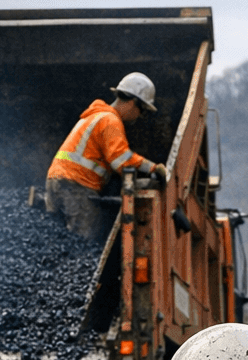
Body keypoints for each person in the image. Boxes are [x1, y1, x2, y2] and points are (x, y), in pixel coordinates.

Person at [46, 72, 170, 240]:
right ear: (133, 102)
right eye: (142, 110)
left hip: (57, 181)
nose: (140, 116)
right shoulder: (111, 120)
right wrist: (153, 168)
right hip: (77, 185)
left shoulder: (95, 116)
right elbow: (121, 160)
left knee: (57, 240)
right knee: (82, 242)